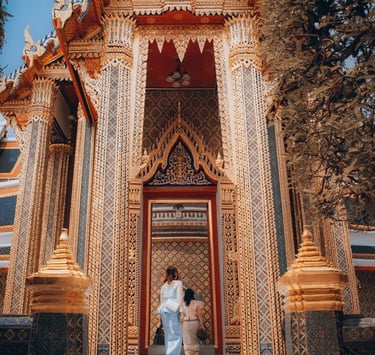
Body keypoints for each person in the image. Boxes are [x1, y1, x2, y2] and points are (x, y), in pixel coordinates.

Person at [157, 266, 184, 355]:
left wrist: (161, 316)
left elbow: (161, 302)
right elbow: (180, 298)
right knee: (176, 335)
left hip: (164, 311)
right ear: (175, 273)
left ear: (167, 274)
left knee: (168, 335)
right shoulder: (178, 283)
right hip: (173, 311)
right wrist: (181, 313)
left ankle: (169, 353)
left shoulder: (163, 286)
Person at [181, 288, 205, 355]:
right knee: (195, 340)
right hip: (194, 322)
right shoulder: (196, 303)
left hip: (185, 323)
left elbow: (182, 316)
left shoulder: (182, 304)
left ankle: (188, 353)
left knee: (186, 340)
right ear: (192, 295)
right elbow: (200, 315)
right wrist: (202, 325)